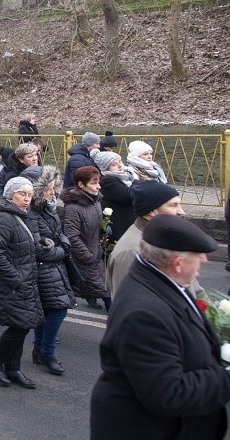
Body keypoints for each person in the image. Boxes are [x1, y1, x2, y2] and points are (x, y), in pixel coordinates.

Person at [90, 215, 229, 440]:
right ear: (178, 263)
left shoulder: (160, 279)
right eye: (198, 254)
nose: (204, 259)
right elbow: (169, 393)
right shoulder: (143, 316)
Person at [0, 176, 44, 390]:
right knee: (21, 323)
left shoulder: (22, 216)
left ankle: (14, 368)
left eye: (29, 195)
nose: (27, 199)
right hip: (11, 283)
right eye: (22, 194)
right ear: (11, 195)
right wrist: (15, 278)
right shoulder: (3, 218)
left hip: (25, 279)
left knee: (23, 323)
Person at [25, 166, 73, 376]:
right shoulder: (32, 214)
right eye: (49, 189)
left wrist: (60, 246)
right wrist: (62, 250)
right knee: (58, 309)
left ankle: (39, 349)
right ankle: (47, 352)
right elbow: (39, 249)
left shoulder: (48, 210)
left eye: (54, 188)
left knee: (48, 310)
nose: (53, 193)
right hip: (43, 269)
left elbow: (61, 235)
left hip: (55, 267)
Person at [107, 181, 186, 297]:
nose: (181, 212)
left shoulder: (164, 238)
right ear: (151, 212)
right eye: (173, 205)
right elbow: (129, 304)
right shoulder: (131, 251)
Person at [62, 166, 109, 311]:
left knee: (104, 287)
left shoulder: (95, 201)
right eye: (94, 183)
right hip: (85, 258)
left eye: (98, 182)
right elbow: (72, 236)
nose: (98, 187)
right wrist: (87, 256)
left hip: (96, 253)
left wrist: (104, 227)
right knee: (106, 291)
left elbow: (93, 225)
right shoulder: (73, 208)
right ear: (81, 185)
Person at [93, 149, 137, 243]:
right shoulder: (108, 180)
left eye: (120, 161)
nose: (120, 165)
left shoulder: (126, 177)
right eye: (114, 164)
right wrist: (136, 180)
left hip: (128, 220)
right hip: (119, 224)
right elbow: (129, 196)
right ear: (106, 168)